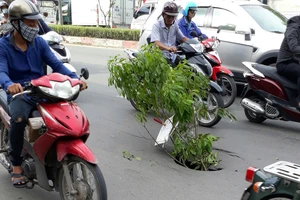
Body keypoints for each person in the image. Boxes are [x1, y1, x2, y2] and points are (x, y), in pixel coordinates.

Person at [0, 0, 87, 188]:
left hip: (42, 90)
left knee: (64, 115)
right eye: (30, 23)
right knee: (19, 119)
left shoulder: (39, 42)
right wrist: (9, 84)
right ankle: (16, 164)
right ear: (16, 23)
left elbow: (56, 64)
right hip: (20, 94)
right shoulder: (3, 46)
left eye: (35, 23)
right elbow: (1, 71)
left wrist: (74, 79)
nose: (35, 27)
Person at [150, 1, 188, 66]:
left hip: (173, 56)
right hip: (160, 57)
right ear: (163, 14)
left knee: (187, 66)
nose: (171, 19)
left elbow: (182, 38)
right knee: (172, 70)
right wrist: (169, 48)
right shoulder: (157, 25)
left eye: (173, 17)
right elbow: (156, 43)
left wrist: (194, 44)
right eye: (169, 16)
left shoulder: (175, 24)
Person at [276, 15, 300, 109]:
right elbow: (294, 47)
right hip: (285, 63)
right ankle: (298, 102)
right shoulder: (294, 28)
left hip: (295, 62)